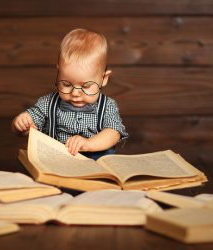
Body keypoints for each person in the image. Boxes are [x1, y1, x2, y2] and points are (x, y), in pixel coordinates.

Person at [11, 28, 128, 160]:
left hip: (94, 163)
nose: (75, 93)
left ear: (104, 79)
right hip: (56, 161)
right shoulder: (48, 103)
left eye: (86, 86)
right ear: (58, 73)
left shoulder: (107, 106)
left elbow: (113, 133)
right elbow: (29, 126)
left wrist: (89, 144)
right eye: (66, 84)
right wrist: (21, 124)